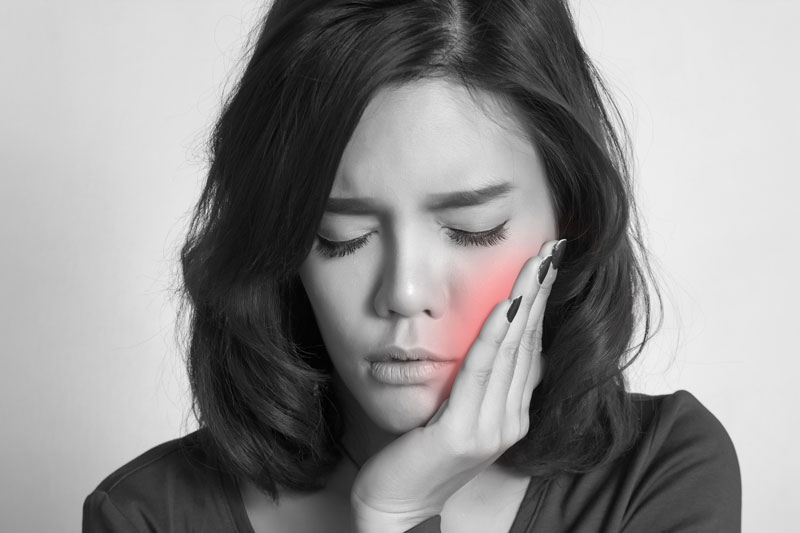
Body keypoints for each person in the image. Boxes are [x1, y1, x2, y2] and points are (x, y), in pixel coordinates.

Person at [82, 0, 741, 531]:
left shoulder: (657, 474)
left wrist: (398, 513)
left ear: (570, 222)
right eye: (341, 235)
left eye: (470, 229)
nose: (403, 291)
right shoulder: (148, 514)